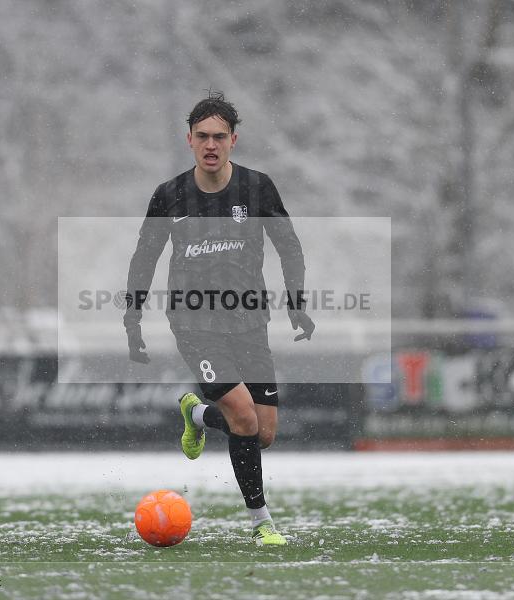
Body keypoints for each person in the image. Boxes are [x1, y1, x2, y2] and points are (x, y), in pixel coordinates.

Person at [124, 90, 314, 546]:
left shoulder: (257, 189)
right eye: (203, 136)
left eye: (220, 137)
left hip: (249, 319)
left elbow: (289, 244)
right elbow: (144, 258)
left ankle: (198, 413)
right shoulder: (169, 196)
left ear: (234, 140)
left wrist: (297, 302)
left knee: (262, 432)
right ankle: (261, 522)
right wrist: (132, 320)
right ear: (189, 139)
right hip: (194, 323)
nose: (211, 145)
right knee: (245, 416)